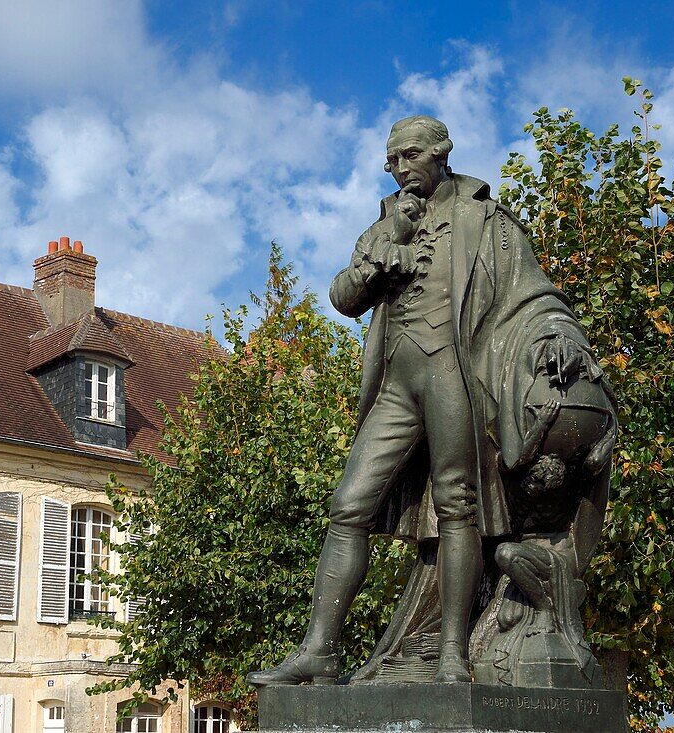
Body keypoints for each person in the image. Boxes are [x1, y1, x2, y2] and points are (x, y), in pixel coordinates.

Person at [249, 115, 604, 686]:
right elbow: (343, 296)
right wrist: (377, 260)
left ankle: (451, 656)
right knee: (348, 506)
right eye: (391, 160)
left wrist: (559, 333)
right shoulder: (387, 222)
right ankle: (320, 651)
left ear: (442, 152)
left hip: (452, 374)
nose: (399, 167)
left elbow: (532, 293)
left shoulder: (485, 220)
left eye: (409, 155)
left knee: (457, 504)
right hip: (397, 385)